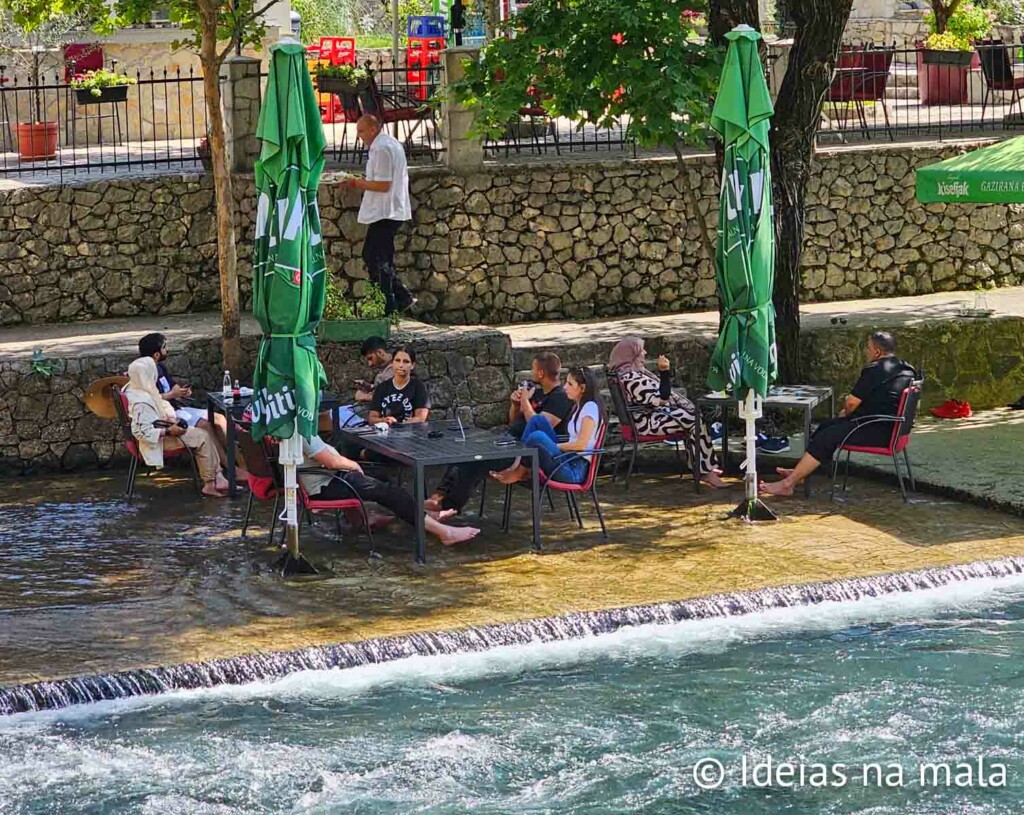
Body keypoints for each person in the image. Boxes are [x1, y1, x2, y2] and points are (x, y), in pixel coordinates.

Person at [761, 331, 918, 497]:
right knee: (826, 426)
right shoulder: (906, 368)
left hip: (876, 431)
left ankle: (787, 484)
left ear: (877, 352)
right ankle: (800, 473)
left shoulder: (876, 369)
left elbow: (851, 403)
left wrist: (846, 412)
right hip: (894, 429)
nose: (866, 351)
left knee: (827, 436)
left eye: (868, 348)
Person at [425, 351, 575, 513]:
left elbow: (538, 426)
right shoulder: (537, 393)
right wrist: (515, 404)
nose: (531, 373)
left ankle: (448, 508)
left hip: (526, 454)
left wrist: (525, 401)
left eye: (533, 369)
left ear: (540, 373)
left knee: (475, 462)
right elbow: (514, 422)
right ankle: (438, 496)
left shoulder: (560, 398)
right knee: (465, 450)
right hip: (508, 441)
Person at [300, 433, 481, 545]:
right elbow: (331, 461)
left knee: (383, 477)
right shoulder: (302, 430)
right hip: (326, 484)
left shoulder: (292, 425)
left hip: (327, 478)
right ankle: (445, 533)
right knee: (393, 494)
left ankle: (416, 513)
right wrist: (353, 465)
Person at [607, 337, 726, 488]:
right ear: (632, 354)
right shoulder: (632, 378)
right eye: (641, 350)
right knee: (694, 420)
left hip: (644, 418)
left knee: (691, 418)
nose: (645, 352)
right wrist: (664, 372)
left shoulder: (626, 374)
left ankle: (702, 465)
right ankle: (705, 471)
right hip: (645, 423)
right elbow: (662, 397)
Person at [137, 332, 249, 482]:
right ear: (156, 354)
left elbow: (171, 385)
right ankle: (231, 470)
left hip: (178, 408)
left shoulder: (160, 367)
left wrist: (180, 392)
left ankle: (244, 465)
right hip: (167, 415)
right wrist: (171, 394)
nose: (167, 350)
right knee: (206, 426)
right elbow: (148, 400)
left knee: (220, 419)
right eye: (164, 348)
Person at [123, 357, 228, 498]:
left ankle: (218, 478)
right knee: (202, 436)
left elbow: (160, 405)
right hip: (157, 441)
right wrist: (168, 430)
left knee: (203, 433)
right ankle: (210, 483)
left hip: (166, 428)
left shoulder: (140, 389)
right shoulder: (141, 402)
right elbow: (141, 431)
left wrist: (172, 419)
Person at [344, 114, 414, 315]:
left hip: (386, 211)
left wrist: (356, 183)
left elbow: (383, 185)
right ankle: (399, 297)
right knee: (377, 255)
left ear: (373, 129)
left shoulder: (382, 149)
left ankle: (388, 303)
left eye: (361, 131)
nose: (359, 136)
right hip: (390, 210)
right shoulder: (386, 144)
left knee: (376, 257)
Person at [490, 366, 604, 485]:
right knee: (537, 420)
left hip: (574, 471)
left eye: (570, 384)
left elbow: (581, 445)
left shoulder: (590, 408)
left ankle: (521, 471)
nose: (565, 387)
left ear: (582, 388)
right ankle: (519, 467)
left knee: (537, 437)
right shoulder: (580, 406)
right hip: (566, 459)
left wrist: (552, 446)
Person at [367, 346, 430, 425]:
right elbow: (372, 418)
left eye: (406, 362)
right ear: (392, 363)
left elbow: (421, 418)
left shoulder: (419, 387)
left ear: (412, 365)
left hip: (411, 434)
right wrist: (384, 420)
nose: (400, 365)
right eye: (397, 360)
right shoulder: (382, 388)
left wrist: (399, 426)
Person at [354, 336, 394, 403]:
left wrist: (365, 397)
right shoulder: (384, 368)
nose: (370, 364)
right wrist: (369, 386)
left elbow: (391, 396)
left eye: (370, 358)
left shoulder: (394, 369)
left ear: (380, 352)